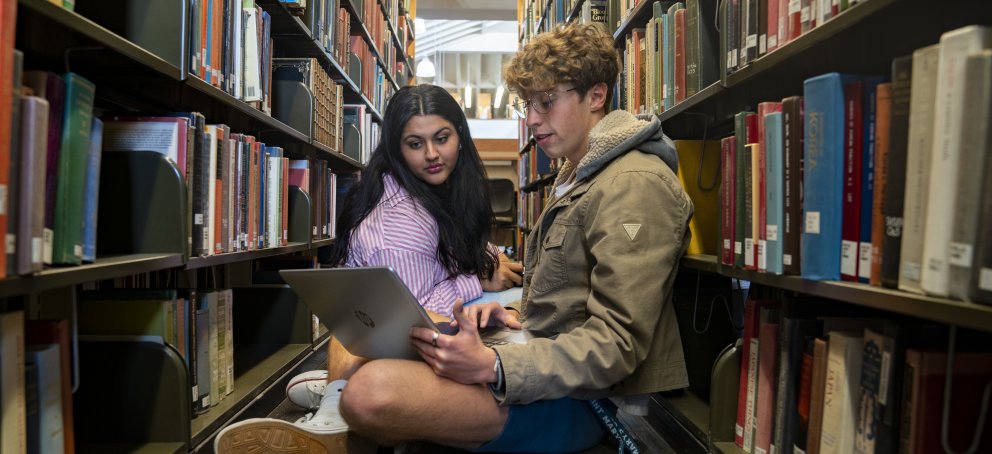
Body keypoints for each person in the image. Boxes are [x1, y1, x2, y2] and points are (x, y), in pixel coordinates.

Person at [331, 21, 694, 452]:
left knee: (370, 391)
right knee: (365, 361)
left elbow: (618, 344)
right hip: (539, 367)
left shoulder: (632, 184)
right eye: (528, 104)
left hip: (585, 401)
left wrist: (494, 364)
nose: (534, 119)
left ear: (596, 96)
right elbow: (571, 296)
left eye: (547, 102)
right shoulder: (578, 176)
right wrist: (509, 313)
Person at [214, 84, 522, 453]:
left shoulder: (432, 190)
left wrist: (489, 260)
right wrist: (476, 279)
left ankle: (336, 392)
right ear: (396, 148)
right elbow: (413, 317)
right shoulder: (398, 224)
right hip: (393, 339)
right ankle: (343, 417)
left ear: (459, 135)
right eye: (415, 144)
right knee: (483, 359)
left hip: (370, 336)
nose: (432, 154)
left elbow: (462, 247)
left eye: (442, 138)